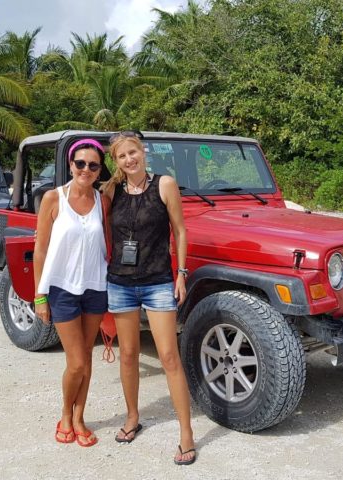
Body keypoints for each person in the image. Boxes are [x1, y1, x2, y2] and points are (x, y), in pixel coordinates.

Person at [101, 132, 196, 466]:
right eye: (122, 156)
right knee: (127, 355)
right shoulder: (111, 191)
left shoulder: (164, 184)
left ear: (143, 152)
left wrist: (181, 272)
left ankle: (186, 433)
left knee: (169, 357)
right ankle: (132, 417)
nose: (130, 159)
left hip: (158, 282)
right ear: (116, 161)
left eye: (133, 152)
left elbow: (181, 230)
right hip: (121, 283)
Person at [33, 138, 109, 448]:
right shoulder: (54, 198)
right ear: (70, 164)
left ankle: (80, 418)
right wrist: (40, 296)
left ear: (99, 169)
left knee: (86, 360)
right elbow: (40, 250)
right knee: (76, 362)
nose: (86, 169)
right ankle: (65, 414)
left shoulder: (103, 201)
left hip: (95, 289)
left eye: (93, 165)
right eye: (80, 163)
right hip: (62, 290)